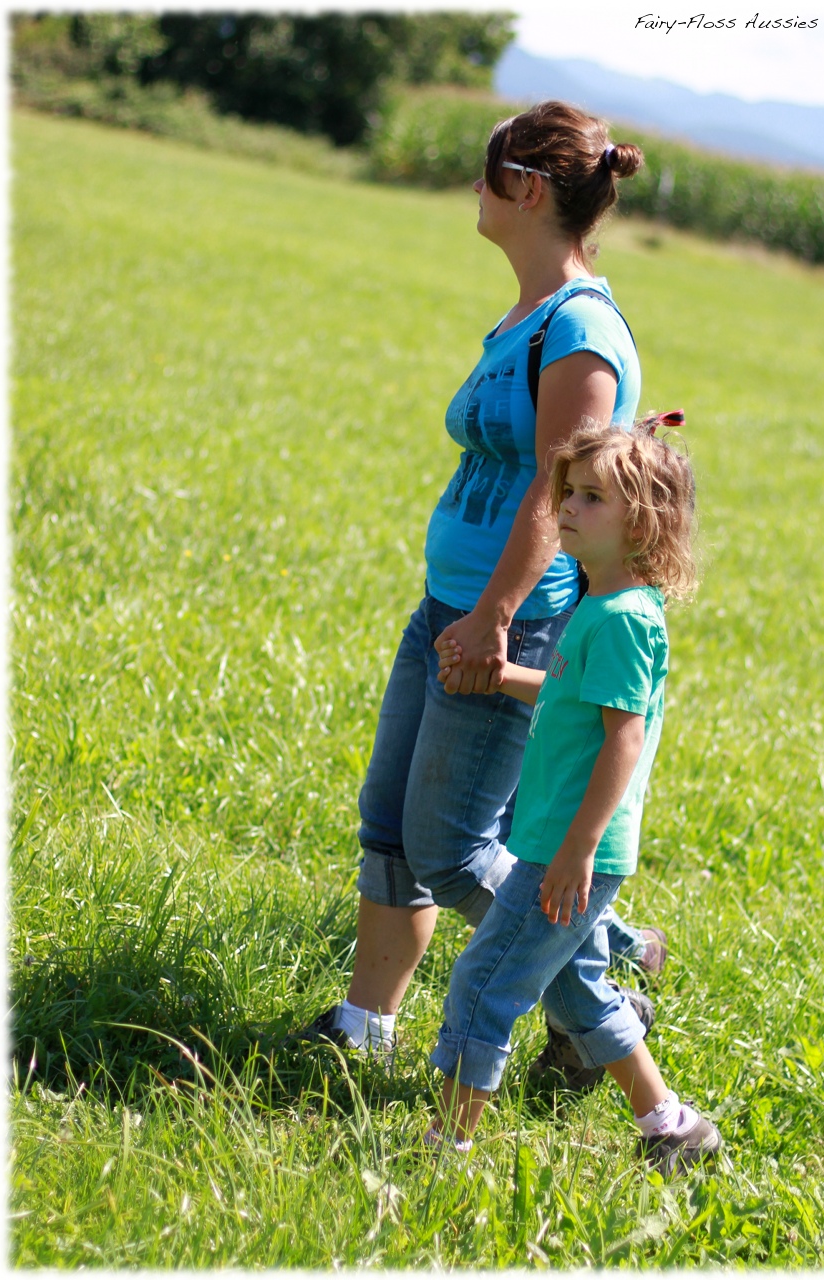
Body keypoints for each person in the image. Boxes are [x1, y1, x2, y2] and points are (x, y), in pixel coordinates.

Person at [295, 101, 662, 1083]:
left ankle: (602, 993)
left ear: (528, 189)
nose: (474, 185)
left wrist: (493, 616)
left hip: (511, 619)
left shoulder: (580, 331)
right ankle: (369, 1017)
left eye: (487, 169)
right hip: (448, 603)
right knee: (391, 820)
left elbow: (556, 484)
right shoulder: (529, 314)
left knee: (453, 849)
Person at [424, 419, 722, 1174]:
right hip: (557, 840)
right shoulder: (604, 607)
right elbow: (567, 698)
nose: (565, 508)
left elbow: (622, 740)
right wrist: (497, 674)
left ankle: (445, 1146)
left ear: (642, 521)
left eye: (591, 498)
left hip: (567, 847)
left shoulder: (621, 621)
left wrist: (576, 850)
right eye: (568, 492)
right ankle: (671, 1124)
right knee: (577, 988)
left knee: (483, 983)